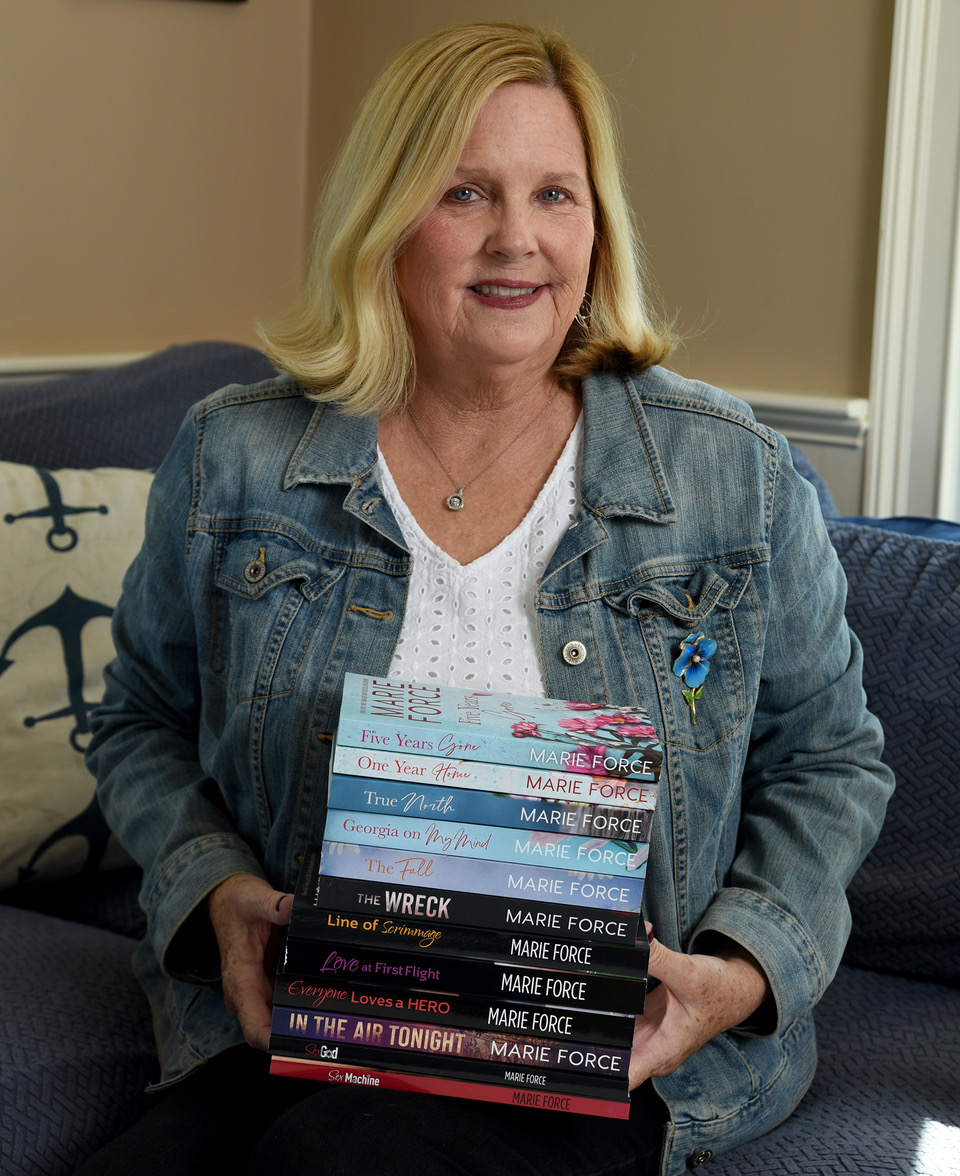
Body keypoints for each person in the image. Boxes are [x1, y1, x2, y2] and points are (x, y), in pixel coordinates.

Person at [81, 21, 894, 1176]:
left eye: (555, 193)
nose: (519, 238)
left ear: (596, 227)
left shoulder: (732, 474)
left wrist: (741, 968)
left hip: (608, 1051)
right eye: (465, 192)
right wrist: (213, 887)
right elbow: (139, 721)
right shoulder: (235, 458)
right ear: (385, 217)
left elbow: (832, 759)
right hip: (300, 1021)